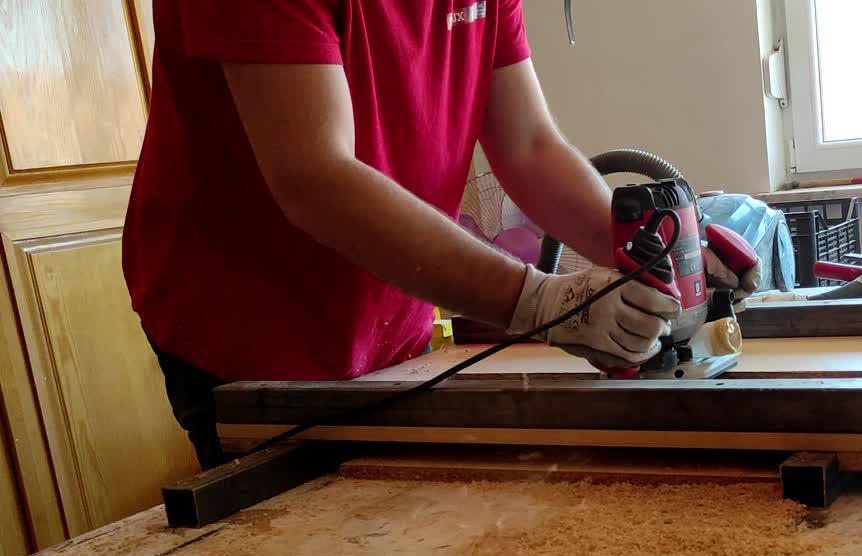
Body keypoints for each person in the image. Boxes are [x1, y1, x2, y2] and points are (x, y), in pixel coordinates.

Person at [123, 0, 753, 470]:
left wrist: (658, 249)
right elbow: (314, 176)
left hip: (387, 325)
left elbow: (528, 144)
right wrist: (538, 303)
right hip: (244, 333)